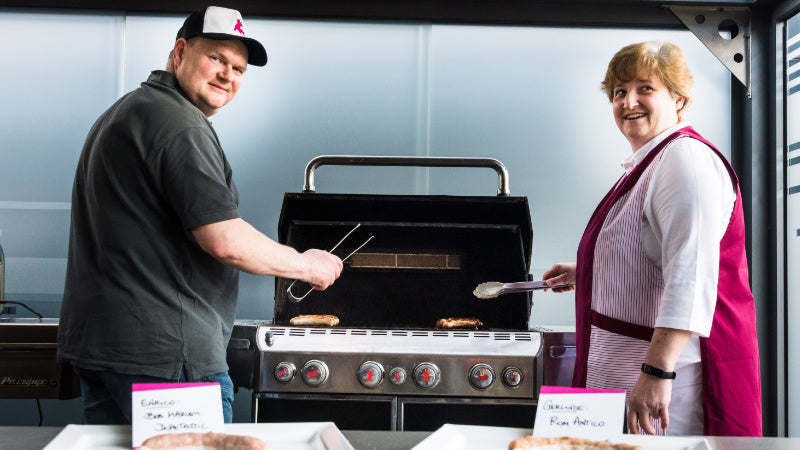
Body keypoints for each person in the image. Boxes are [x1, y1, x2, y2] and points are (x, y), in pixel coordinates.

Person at [57, 6, 343, 425]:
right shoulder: (179, 126)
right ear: (180, 51)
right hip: (166, 360)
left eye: (239, 69)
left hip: (107, 353)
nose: (228, 74)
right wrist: (306, 265)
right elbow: (223, 239)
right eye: (216, 59)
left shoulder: (129, 111)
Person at [542, 41, 762, 437]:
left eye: (645, 88)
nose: (629, 102)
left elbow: (689, 277)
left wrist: (656, 372)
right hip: (625, 367)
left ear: (679, 97)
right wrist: (590, 270)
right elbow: (656, 251)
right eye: (619, 92)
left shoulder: (685, 160)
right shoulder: (652, 160)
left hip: (668, 379)